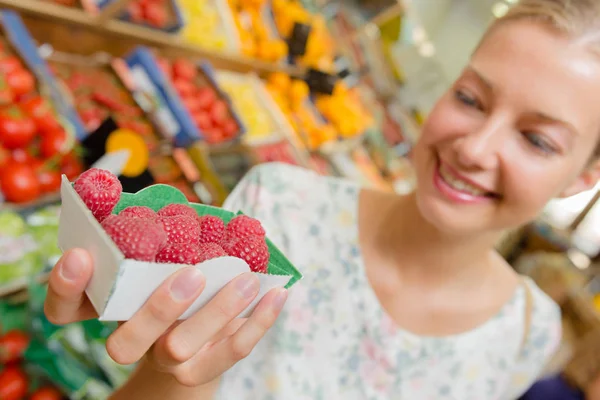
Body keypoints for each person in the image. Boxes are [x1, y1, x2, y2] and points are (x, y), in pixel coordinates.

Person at [43, 0, 600, 398]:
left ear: (583, 178)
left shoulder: (529, 334)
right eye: (470, 98)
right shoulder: (279, 205)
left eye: (536, 139)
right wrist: (176, 368)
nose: (474, 147)